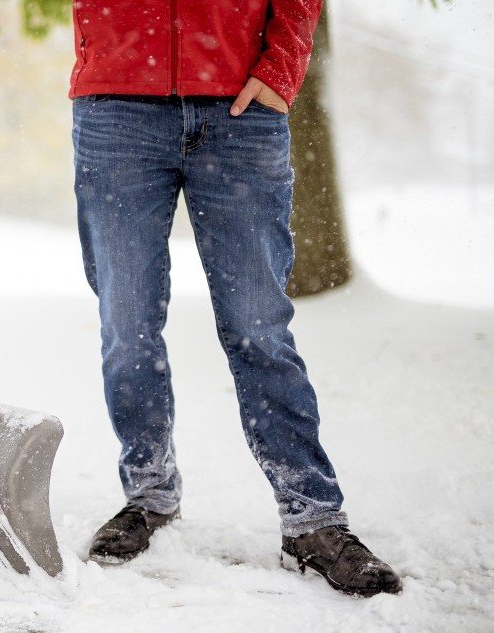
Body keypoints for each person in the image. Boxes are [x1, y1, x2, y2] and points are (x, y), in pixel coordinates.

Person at [70, 0, 402, 597]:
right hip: (116, 110)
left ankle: (312, 519)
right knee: (127, 324)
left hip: (240, 110)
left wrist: (281, 71)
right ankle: (149, 497)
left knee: (260, 328)